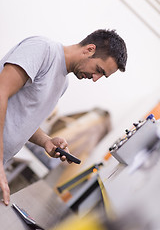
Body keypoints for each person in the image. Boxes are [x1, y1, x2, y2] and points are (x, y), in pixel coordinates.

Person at [0, 29, 127, 205]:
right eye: (98, 70)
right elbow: (1, 93)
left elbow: (19, 118)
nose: (95, 79)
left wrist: (46, 141)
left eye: (102, 76)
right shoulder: (42, 50)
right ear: (89, 49)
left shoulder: (62, 84)